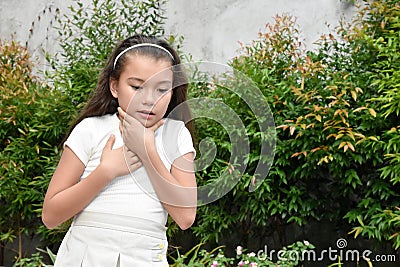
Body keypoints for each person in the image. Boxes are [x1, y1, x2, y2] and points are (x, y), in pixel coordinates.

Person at [42, 35, 197, 266]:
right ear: (115, 86)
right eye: (136, 87)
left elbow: (185, 217)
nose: (149, 100)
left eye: (162, 89)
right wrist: (106, 171)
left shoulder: (176, 135)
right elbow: (51, 216)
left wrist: (146, 150)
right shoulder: (91, 130)